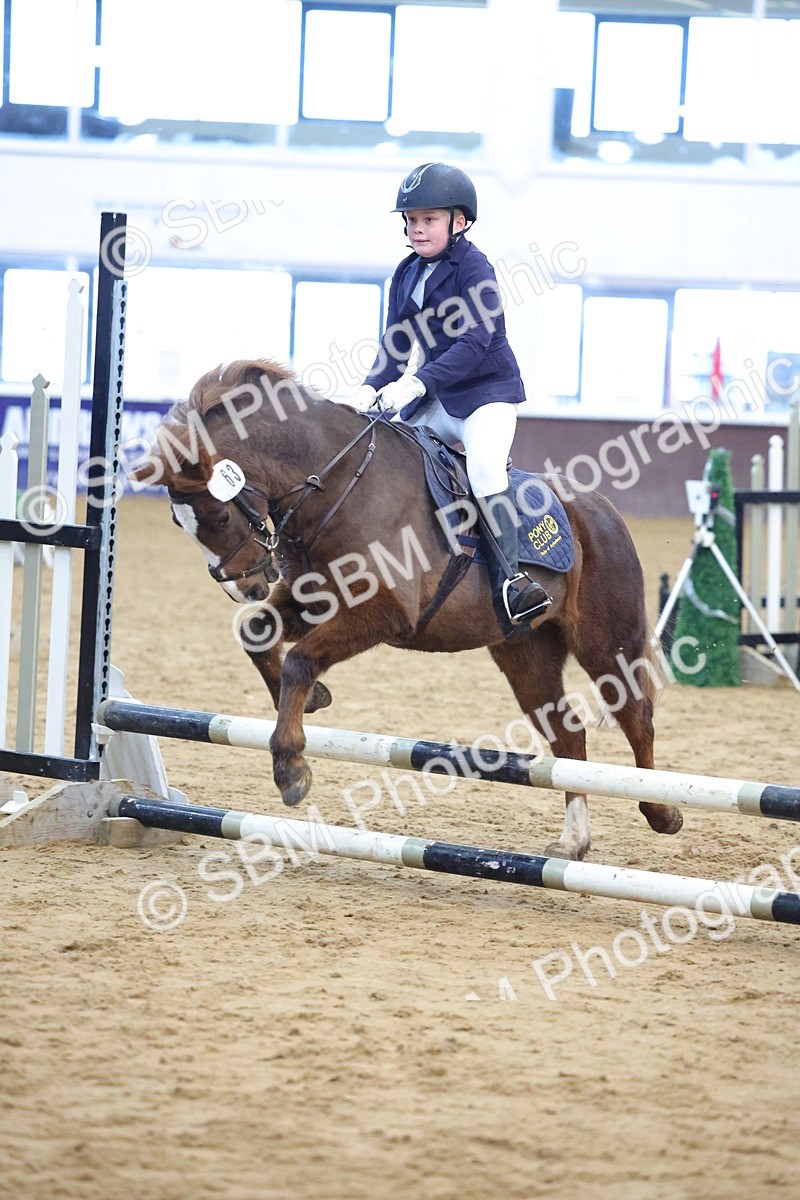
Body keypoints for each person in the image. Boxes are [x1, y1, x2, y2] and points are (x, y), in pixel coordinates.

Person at [353, 161, 552, 637]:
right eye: (413, 220)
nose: (418, 228)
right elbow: (397, 344)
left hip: (486, 394)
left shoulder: (475, 267)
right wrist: (368, 387)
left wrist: (417, 384)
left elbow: (474, 344)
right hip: (438, 394)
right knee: (390, 452)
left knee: (484, 469)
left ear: (458, 222)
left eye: (430, 219)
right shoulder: (405, 275)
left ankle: (512, 580)